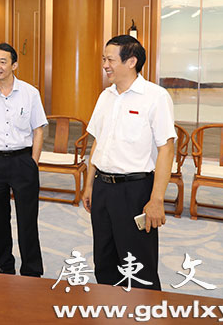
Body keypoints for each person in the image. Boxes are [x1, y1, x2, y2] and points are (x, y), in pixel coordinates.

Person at [82, 35, 175, 291]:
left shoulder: (155, 97)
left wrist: (156, 199)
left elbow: (166, 149)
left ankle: (144, 310)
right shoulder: (106, 97)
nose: (105, 65)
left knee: (138, 263)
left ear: (131, 61)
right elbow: (98, 142)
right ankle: (110, 307)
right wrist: (89, 185)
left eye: (110, 59)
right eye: (104, 59)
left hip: (134, 191)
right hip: (103, 187)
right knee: (104, 258)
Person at [0, 42, 47, 277]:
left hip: (22, 161)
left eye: (3, 61)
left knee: (27, 220)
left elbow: (38, 130)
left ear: (14, 65)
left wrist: (33, 162)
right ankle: (4, 265)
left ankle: (32, 270)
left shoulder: (30, 93)